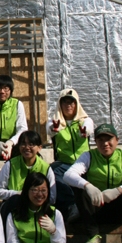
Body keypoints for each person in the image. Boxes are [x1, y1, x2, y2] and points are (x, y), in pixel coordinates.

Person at [63, 123, 122, 243]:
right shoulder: (88, 156)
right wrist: (88, 186)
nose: (105, 143)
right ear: (95, 142)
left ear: (117, 140)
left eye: (109, 139)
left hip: (120, 210)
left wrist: (119, 190)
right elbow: (68, 175)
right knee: (79, 188)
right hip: (95, 209)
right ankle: (93, 236)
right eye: (100, 140)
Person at [46, 88, 94, 223]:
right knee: (51, 172)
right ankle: (72, 205)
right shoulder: (54, 122)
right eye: (65, 102)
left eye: (72, 102)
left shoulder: (85, 120)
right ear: (59, 104)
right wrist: (54, 128)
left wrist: (84, 131)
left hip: (83, 163)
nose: (69, 106)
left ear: (77, 104)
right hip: (64, 163)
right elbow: (50, 129)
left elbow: (88, 128)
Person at [0, 130, 56, 205]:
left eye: (31, 144)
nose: (27, 147)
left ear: (39, 148)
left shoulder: (46, 168)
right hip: (15, 205)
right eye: (23, 144)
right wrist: (18, 194)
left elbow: (52, 197)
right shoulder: (10, 165)